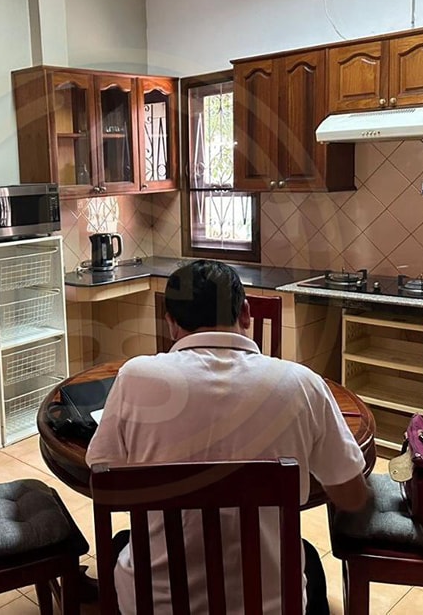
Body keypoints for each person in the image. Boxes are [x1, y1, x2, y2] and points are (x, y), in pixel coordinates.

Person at [86, 259, 370, 614]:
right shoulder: (302, 384)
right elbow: (351, 496)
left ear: (171, 323)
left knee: (123, 543)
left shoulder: (135, 377)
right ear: (246, 313)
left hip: (156, 605)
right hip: (269, 606)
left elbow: (105, 474)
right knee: (307, 557)